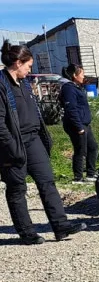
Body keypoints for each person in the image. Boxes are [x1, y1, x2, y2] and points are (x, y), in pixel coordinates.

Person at [0, 40, 86, 245]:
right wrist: (11, 147)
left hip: (33, 139)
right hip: (12, 145)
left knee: (47, 182)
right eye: (29, 65)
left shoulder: (24, 83)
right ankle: (27, 233)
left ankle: (61, 225)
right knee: (17, 188)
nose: (30, 70)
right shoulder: (2, 85)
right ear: (18, 63)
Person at [59, 63, 99, 184]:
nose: (83, 76)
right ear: (74, 75)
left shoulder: (76, 87)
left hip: (84, 123)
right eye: (81, 74)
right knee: (80, 150)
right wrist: (79, 127)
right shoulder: (68, 88)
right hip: (76, 124)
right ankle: (78, 177)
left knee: (93, 147)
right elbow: (71, 109)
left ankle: (91, 174)